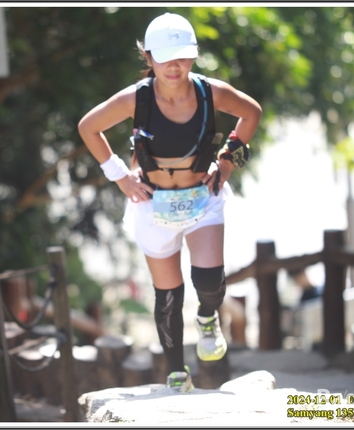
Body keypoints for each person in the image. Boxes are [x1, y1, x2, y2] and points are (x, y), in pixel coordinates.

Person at [78, 12, 262, 390]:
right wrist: (120, 177)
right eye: (164, 58)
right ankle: (177, 373)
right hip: (153, 203)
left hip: (202, 198)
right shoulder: (137, 98)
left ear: (193, 55)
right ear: (148, 57)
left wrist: (227, 163)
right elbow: (88, 127)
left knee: (209, 282)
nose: (174, 66)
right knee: (168, 296)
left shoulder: (211, 92)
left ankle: (208, 317)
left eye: (182, 56)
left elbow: (251, 113)